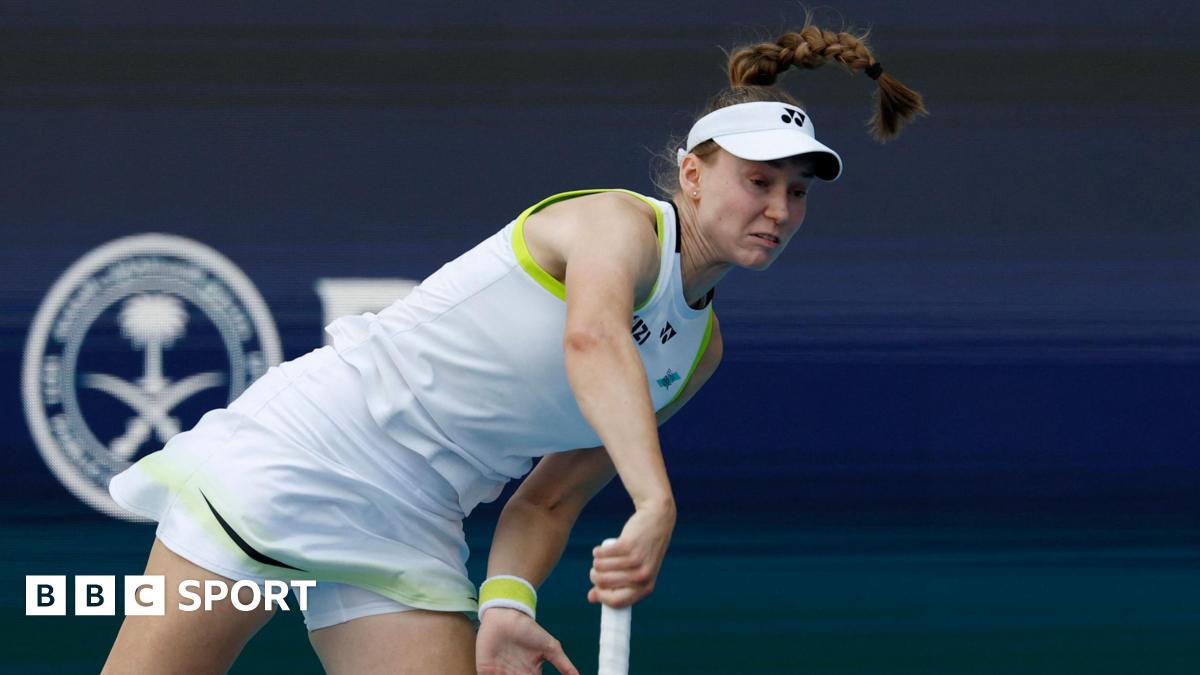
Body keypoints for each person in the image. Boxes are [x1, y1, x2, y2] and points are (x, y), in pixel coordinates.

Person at [101, 18, 924, 675]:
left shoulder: (697, 349)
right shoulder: (618, 223)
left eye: (796, 192)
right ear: (693, 175)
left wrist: (507, 602)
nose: (778, 209)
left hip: (415, 519)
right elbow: (591, 335)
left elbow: (548, 499)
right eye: (758, 182)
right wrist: (655, 500)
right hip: (309, 450)